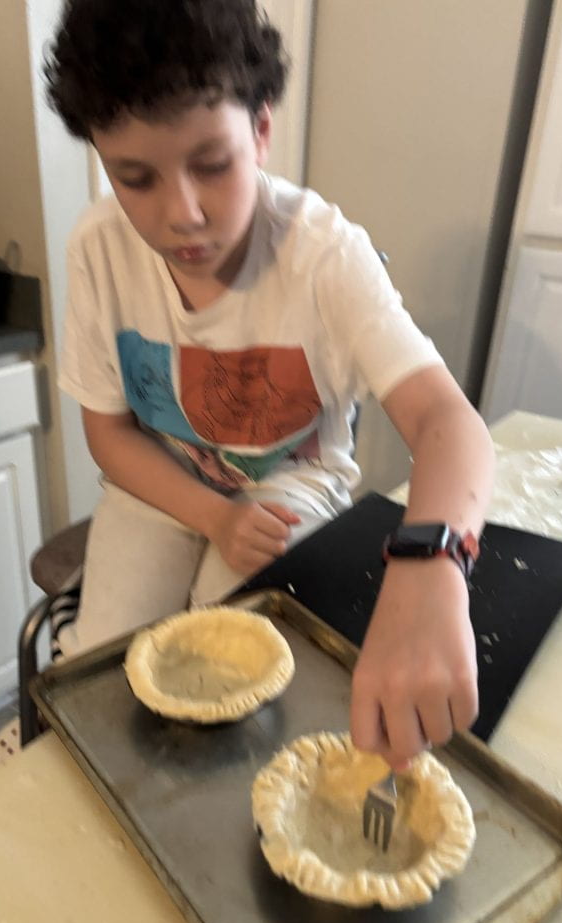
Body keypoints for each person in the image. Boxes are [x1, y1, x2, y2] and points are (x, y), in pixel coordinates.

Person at [44, 0, 495, 772]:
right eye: (134, 178)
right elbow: (109, 434)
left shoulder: (324, 256)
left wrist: (432, 565)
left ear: (260, 130)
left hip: (288, 489)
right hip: (162, 485)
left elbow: (447, 423)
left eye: (212, 164)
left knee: (240, 674)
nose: (182, 215)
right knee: (100, 675)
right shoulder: (98, 247)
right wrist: (213, 516)